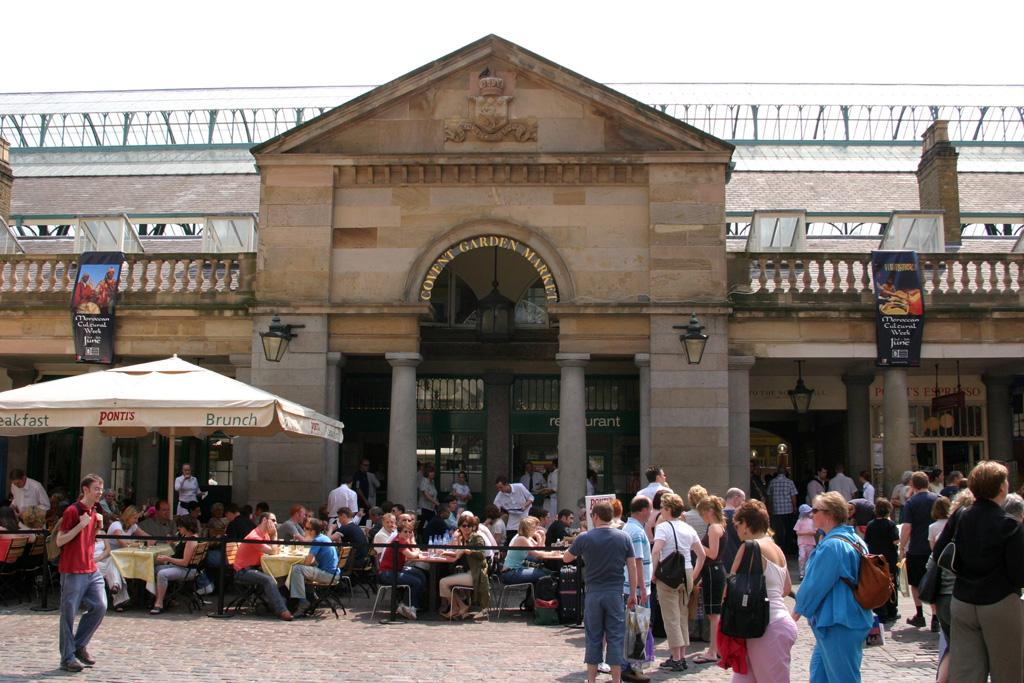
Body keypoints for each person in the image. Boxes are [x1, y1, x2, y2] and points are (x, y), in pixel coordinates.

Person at [932, 460, 1024, 683]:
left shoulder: (961, 516)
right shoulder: (1010, 524)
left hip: (963, 600)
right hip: (999, 601)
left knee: (966, 673)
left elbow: (939, 553)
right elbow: (1020, 572)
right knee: (1008, 671)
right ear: (1002, 487)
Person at [793, 491, 874, 682]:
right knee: (820, 675)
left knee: (843, 678)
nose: (812, 514)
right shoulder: (854, 539)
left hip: (839, 621)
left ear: (829, 514)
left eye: (815, 510)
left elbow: (814, 585)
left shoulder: (832, 546)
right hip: (845, 618)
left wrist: (794, 615)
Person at [563, 500, 637, 683]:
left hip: (594, 593)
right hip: (615, 593)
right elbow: (632, 567)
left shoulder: (584, 538)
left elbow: (566, 558)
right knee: (615, 636)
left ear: (594, 516)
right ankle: (616, 680)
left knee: (593, 636)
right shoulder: (624, 537)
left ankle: (591, 679)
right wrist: (633, 593)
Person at [730, 499, 798, 682]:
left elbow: (730, 589)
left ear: (746, 524)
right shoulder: (777, 548)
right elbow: (786, 588)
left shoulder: (750, 547)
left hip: (765, 627)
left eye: (737, 525)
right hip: (770, 623)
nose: (736, 531)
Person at [55, 473, 107, 673]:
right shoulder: (71, 511)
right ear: (85, 490)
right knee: (68, 614)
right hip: (73, 569)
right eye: (96, 489)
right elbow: (60, 540)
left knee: (100, 606)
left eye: (101, 489)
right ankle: (67, 657)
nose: (99, 493)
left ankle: (79, 645)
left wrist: (96, 527)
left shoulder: (95, 510)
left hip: (90, 568)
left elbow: (89, 541)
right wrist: (81, 524)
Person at [650, 492, 705, 672]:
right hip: (687, 572)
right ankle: (680, 655)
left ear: (667, 509)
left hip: (668, 575)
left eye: (663, 508)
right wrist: (694, 575)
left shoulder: (663, 527)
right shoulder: (688, 528)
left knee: (670, 616)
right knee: (682, 615)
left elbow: (656, 551)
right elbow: (702, 555)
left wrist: (653, 572)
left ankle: (676, 658)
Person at [232, 512, 293, 621]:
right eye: (273, 520)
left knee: (282, 574)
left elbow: (272, 550)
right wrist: (274, 535)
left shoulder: (264, 534)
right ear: (265, 520)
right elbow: (273, 551)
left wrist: (272, 540)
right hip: (243, 571)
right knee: (268, 580)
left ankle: (285, 605)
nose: (276, 523)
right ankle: (282, 610)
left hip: (255, 568)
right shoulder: (254, 536)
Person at [899, 470, 938, 630]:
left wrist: (901, 546)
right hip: (934, 548)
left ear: (912, 485)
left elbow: (907, 527)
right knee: (934, 582)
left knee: (915, 583)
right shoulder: (938, 499)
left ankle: (919, 614)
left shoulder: (911, 503)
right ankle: (935, 617)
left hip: (916, 548)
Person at [619, 496, 652, 683]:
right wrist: (641, 589)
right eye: (650, 509)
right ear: (644, 510)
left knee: (634, 627)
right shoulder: (637, 532)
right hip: (639, 589)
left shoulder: (630, 528)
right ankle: (632, 668)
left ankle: (629, 666)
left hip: (633, 587)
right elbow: (637, 562)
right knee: (638, 628)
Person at [693, 496, 727, 665]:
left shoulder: (714, 527)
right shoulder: (718, 525)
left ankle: (713, 650)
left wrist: (697, 543)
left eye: (703, 513)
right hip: (714, 571)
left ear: (710, 511)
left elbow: (712, 553)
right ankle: (716, 649)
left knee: (714, 614)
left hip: (713, 571)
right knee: (714, 613)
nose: (702, 516)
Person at [437, 514, 489, 619]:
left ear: (473, 527)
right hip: (469, 573)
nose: (466, 528)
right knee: (444, 582)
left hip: (476, 575)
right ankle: (461, 606)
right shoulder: (464, 539)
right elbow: (457, 555)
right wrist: (445, 552)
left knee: (443, 582)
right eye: (463, 526)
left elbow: (482, 554)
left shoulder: (477, 537)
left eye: (469, 526)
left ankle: (456, 608)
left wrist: (469, 551)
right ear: (459, 527)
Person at [149, 516, 201, 615]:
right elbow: (180, 553)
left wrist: (167, 558)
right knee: (155, 569)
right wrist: (172, 544)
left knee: (162, 574)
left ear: (187, 527)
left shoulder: (191, 541)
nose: (178, 529)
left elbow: (184, 562)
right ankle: (164, 597)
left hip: (187, 570)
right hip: (186, 568)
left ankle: (159, 602)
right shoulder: (188, 537)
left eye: (180, 527)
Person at [287, 518, 339, 615]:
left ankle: (302, 602)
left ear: (313, 531)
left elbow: (308, 562)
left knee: (297, 569)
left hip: (328, 575)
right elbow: (312, 561)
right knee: (301, 570)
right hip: (333, 573)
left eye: (307, 528)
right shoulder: (323, 538)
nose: (304, 530)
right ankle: (311, 597)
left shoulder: (317, 540)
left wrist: (303, 561)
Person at [378, 521, 428, 619]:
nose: (408, 534)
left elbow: (414, 551)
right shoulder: (399, 541)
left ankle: (414, 605)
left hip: (396, 570)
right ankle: (405, 605)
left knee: (420, 574)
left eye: (410, 532)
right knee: (416, 582)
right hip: (387, 573)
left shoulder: (404, 540)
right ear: (399, 532)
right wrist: (417, 551)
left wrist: (412, 539)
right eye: (405, 532)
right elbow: (411, 555)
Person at [864, 498, 899, 624]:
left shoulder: (871, 525)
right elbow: (895, 540)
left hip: (875, 558)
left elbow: (866, 540)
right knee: (891, 583)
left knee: (878, 584)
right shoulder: (890, 525)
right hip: (889, 558)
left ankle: (880, 610)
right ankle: (891, 611)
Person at [501, 516, 562, 586]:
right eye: (535, 527)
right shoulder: (521, 539)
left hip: (517, 569)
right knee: (545, 574)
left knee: (547, 572)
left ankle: (533, 596)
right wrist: (553, 554)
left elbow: (540, 549)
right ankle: (540, 596)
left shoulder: (528, 538)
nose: (536, 529)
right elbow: (536, 555)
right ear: (528, 528)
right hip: (510, 573)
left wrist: (541, 537)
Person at [91, 524, 129, 612]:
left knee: (112, 559)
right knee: (114, 569)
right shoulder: (85, 534)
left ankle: (116, 586)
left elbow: (108, 550)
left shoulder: (102, 533)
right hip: (92, 561)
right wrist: (95, 560)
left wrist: (100, 557)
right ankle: (117, 595)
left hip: (103, 558)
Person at [493, 475, 533, 543]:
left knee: (526, 534)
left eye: (501, 487)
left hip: (526, 514)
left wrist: (524, 506)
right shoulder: (500, 495)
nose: (500, 490)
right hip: (513, 517)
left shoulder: (519, 487)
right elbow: (495, 507)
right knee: (510, 534)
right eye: (498, 488)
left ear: (506, 484)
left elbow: (531, 498)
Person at [767, 467, 798, 553]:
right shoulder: (790, 482)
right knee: (788, 529)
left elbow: (769, 496)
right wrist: (794, 507)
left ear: (777, 472)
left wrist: (770, 507)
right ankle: (787, 547)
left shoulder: (772, 482)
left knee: (777, 529)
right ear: (786, 472)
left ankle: (778, 545)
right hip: (788, 509)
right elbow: (793, 496)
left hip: (776, 510)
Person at [721, 488, 745, 571]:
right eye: (743, 500)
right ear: (736, 498)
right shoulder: (741, 516)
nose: (743, 503)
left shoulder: (716, 516)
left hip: (721, 561)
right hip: (739, 558)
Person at [793, 503, 816, 579]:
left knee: (810, 557)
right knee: (802, 557)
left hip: (810, 542)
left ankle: (809, 572)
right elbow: (797, 532)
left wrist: (810, 533)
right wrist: (807, 533)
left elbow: (814, 532)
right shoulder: (799, 521)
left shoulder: (812, 521)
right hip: (802, 542)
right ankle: (802, 573)